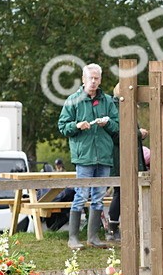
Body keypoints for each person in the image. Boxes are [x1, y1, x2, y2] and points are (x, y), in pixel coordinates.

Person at [57, 63, 119, 249]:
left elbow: (117, 126)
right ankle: (73, 238)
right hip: (84, 157)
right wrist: (76, 126)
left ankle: (93, 238)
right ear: (83, 79)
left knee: (99, 197)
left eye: (96, 78)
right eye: (90, 78)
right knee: (81, 195)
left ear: (100, 80)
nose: (93, 81)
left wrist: (107, 124)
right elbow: (62, 126)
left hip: (104, 156)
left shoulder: (107, 101)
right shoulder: (73, 100)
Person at [106, 82, 149, 242]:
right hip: (121, 156)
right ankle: (113, 229)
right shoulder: (116, 107)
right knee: (120, 192)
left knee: (127, 192)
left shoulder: (123, 106)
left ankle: (125, 228)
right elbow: (120, 133)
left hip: (128, 155)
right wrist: (138, 133)